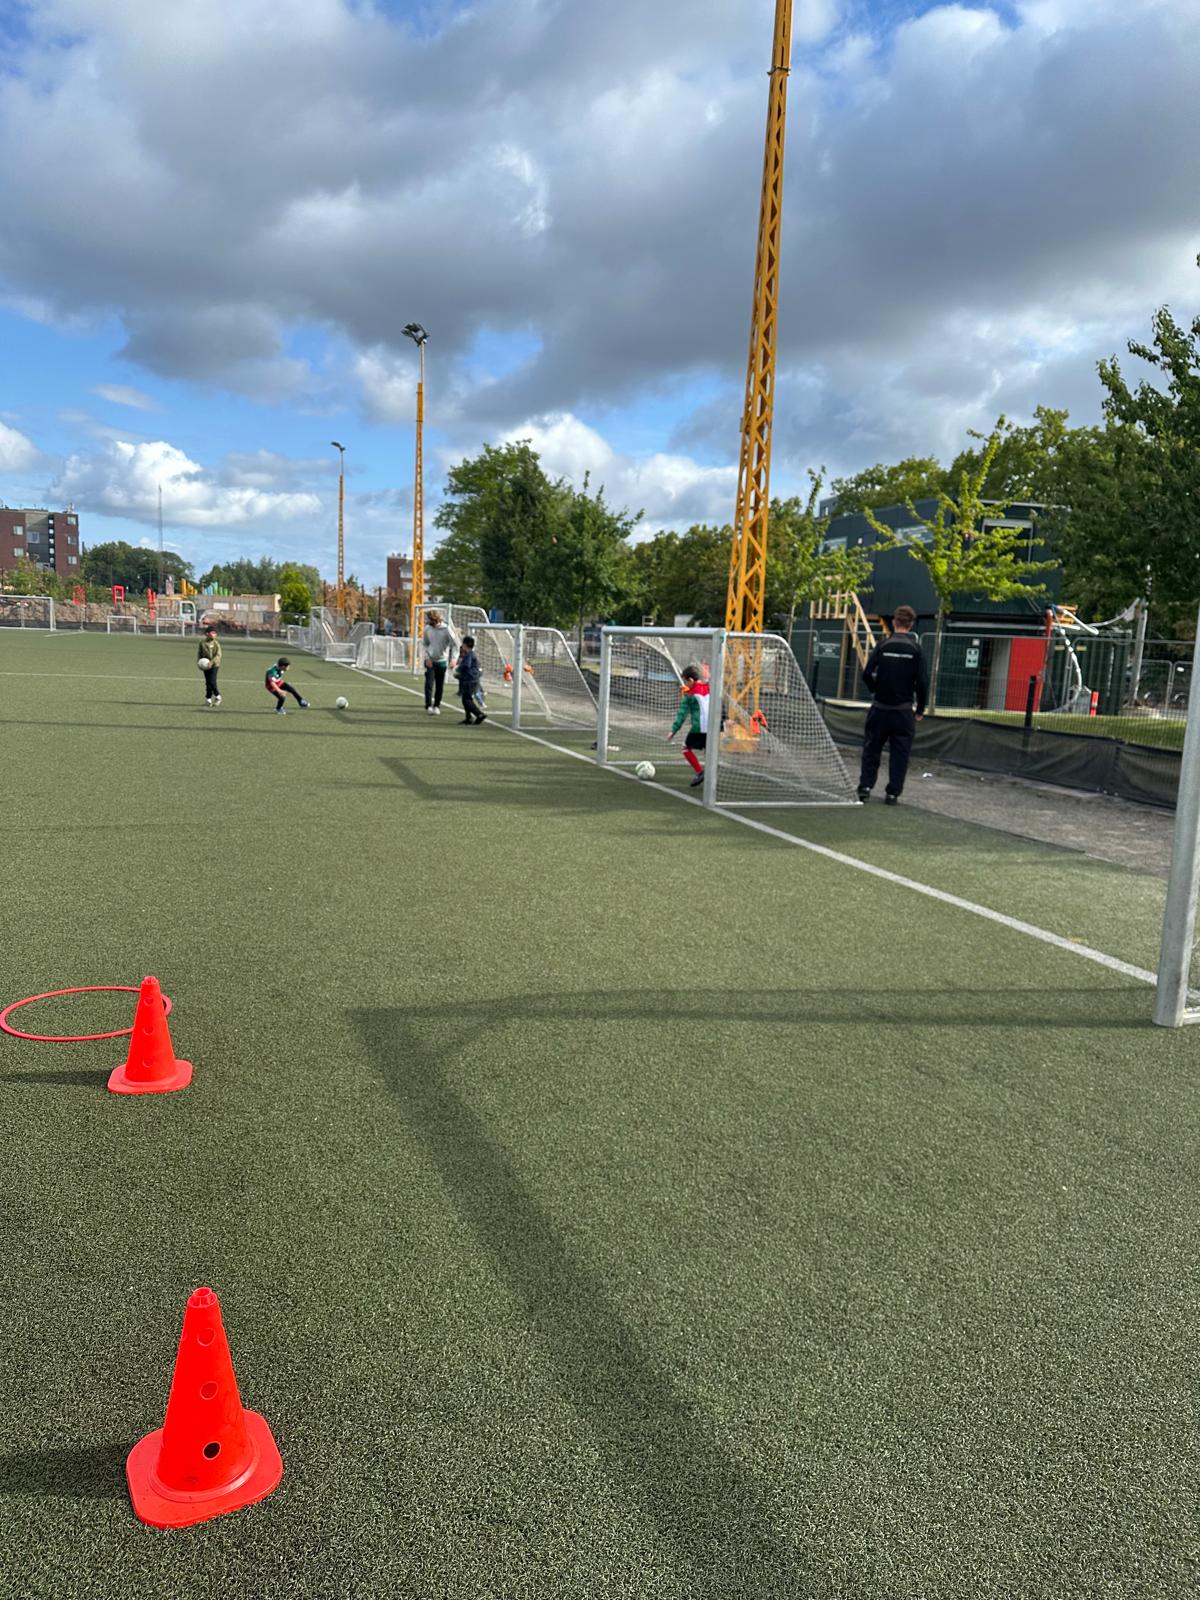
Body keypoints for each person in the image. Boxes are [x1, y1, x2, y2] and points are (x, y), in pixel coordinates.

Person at [857, 604, 929, 805]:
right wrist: (920, 709)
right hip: (903, 710)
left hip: (880, 707)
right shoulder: (916, 650)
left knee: (872, 748)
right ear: (911, 625)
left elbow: (867, 673)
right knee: (900, 753)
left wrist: (875, 689)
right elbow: (922, 682)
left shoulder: (883, 646)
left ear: (894, 623)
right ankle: (892, 793)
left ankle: (865, 787)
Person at [666, 663, 710, 788]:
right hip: (713, 727)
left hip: (699, 728)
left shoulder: (689, 695)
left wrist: (673, 730)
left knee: (685, 748)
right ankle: (711, 776)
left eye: (686, 682)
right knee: (709, 751)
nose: (685, 684)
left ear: (691, 680)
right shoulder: (709, 687)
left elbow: (682, 714)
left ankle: (700, 772)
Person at [422, 608, 455, 715]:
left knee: (439, 685)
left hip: (442, 661)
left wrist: (453, 658)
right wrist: (427, 657)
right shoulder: (427, 629)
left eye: (432, 619)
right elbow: (425, 644)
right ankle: (428, 705)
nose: (430, 621)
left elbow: (454, 645)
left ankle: (436, 705)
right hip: (430, 660)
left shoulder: (446, 629)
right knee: (428, 684)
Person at [454, 635, 486, 724]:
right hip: (471, 679)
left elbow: (466, 665)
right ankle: (469, 718)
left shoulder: (469, 654)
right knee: (465, 699)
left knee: (467, 699)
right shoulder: (470, 654)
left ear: (465, 645)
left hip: (470, 680)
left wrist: (458, 669)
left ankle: (479, 714)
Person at [198, 626, 221, 708]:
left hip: (214, 665)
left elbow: (218, 655)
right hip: (206, 665)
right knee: (208, 682)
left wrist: (212, 662)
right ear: (207, 634)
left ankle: (218, 696)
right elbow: (200, 653)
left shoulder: (216, 643)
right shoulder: (202, 643)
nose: (214, 634)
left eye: (215, 633)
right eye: (213, 633)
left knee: (212, 682)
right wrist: (199, 663)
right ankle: (208, 699)